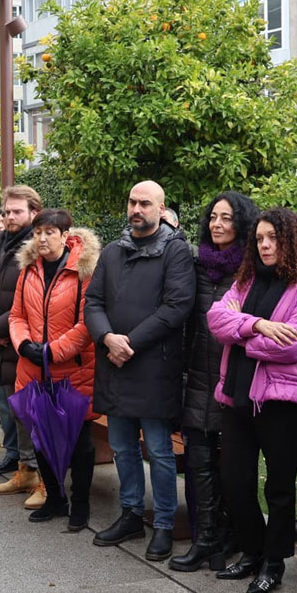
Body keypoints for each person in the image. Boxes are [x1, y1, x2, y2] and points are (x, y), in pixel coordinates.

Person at [206, 208, 297, 593]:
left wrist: (239, 335)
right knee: (236, 481)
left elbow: (295, 344)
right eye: (259, 239)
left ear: (291, 239)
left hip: (281, 401)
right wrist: (256, 325)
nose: (265, 245)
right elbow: (215, 319)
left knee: (277, 485)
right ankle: (252, 552)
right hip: (237, 395)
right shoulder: (247, 279)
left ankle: (274, 562)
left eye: (272, 237)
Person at [85, 180, 195, 562]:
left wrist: (128, 342)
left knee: (161, 452)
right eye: (132, 201)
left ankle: (163, 523)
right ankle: (130, 513)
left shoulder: (176, 251)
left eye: (144, 203)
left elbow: (177, 306)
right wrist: (107, 338)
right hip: (114, 364)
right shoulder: (113, 251)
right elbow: (93, 301)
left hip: (153, 367)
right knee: (121, 447)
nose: (136, 208)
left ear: (161, 208)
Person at [169, 191, 258, 572]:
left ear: (241, 224)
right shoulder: (197, 265)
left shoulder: (251, 270)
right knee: (199, 459)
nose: (217, 224)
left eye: (226, 218)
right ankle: (205, 537)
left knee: (233, 464)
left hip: (234, 378)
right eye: (213, 217)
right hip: (197, 374)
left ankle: (234, 532)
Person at [8, 209, 101, 527]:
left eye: (50, 232)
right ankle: (56, 499)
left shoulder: (83, 270)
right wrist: (23, 345)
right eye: (38, 232)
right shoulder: (28, 270)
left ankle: (80, 504)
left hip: (72, 369)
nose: (43, 238)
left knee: (79, 442)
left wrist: (50, 352)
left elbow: (86, 324)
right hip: (34, 368)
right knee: (41, 438)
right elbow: (16, 314)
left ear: (65, 235)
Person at [0, 186, 45, 506]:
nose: (10, 217)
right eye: (7, 212)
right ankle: (24, 470)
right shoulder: (2, 243)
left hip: (26, 339)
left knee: (30, 410)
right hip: (1, 336)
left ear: (33, 212)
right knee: (11, 407)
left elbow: (34, 296)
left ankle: (41, 476)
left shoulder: (37, 244)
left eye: (17, 211)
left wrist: (1, 327)